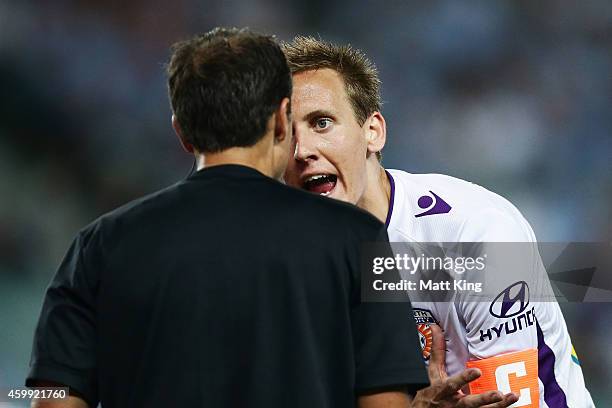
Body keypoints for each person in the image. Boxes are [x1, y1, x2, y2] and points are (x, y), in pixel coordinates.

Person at [25, 28, 434, 408]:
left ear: (181, 132)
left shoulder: (100, 246)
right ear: (281, 120)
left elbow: (55, 391)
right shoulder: (358, 238)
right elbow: (385, 400)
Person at [282, 36, 595, 407]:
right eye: (284, 134)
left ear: (373, 132)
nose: (301, 151)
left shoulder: (475, 234)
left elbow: (508, 400)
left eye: (321, 122)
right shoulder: (284, 259)